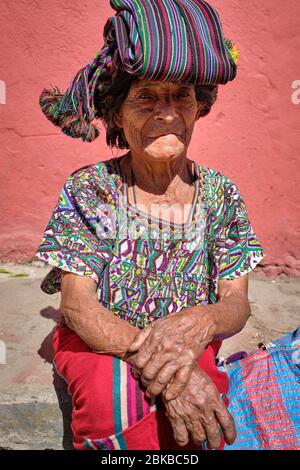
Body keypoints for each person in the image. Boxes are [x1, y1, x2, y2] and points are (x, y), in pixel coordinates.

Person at [35, 0, 266, 450]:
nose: (167, 112)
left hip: (187, 338)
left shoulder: (221, 193)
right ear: (117, 114)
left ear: (198, 108)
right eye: (146, 96)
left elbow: (236, 303)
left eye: (181, 96)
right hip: (102, 337)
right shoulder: (92, 188)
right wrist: (175, 374)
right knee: (109, 403)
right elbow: (79, 306)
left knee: (207, 409)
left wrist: (204, 320)